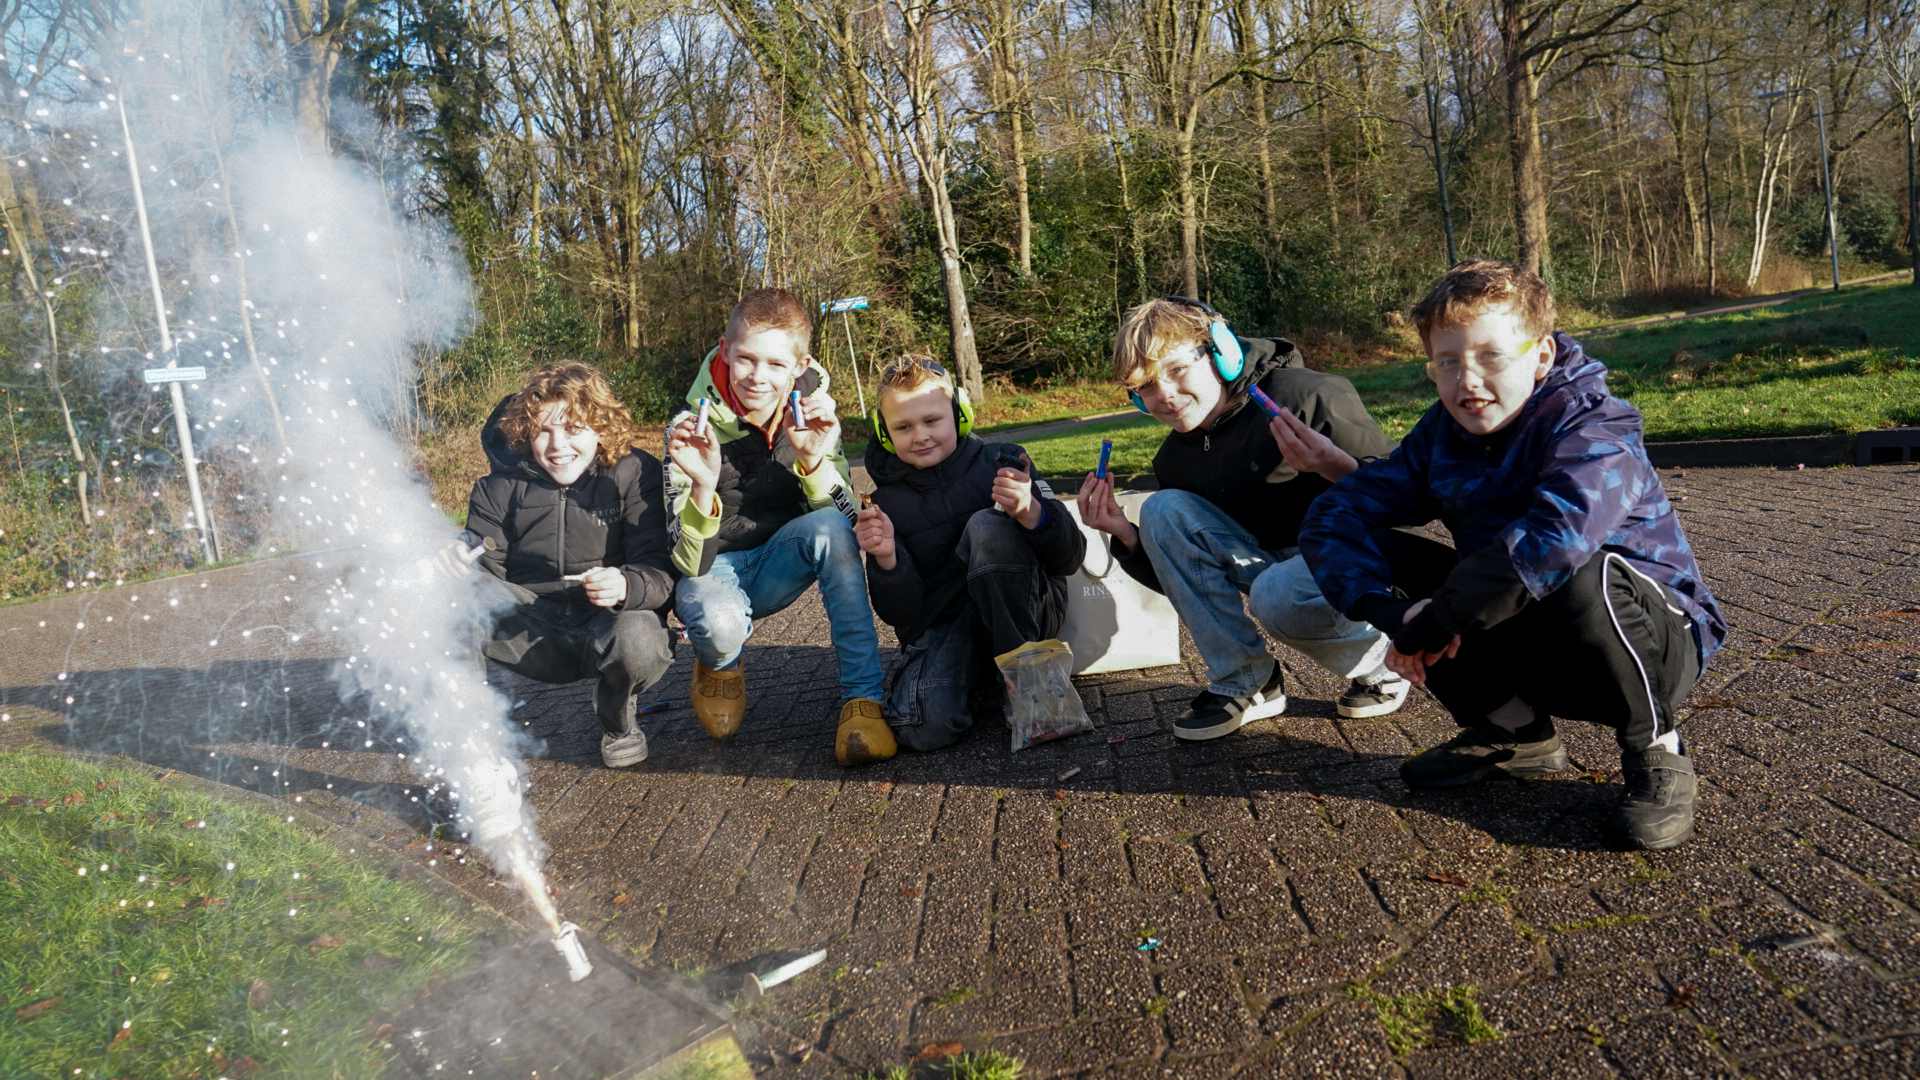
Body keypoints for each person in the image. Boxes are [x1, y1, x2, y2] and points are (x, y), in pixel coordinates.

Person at [1298, 259, 1726, 850]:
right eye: (1448, 362)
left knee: (1577, 568)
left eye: (1490, 357)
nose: (1466, 381)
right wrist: (1393, 614)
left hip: (1650, 640)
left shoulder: (1598, 425)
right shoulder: (1441, 435)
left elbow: (1557, 535)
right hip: (1524, 629)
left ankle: (1657, 749)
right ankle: (1516, 732)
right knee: (1387, 555)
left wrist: (1441, 618)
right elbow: (1334, 513)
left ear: (1541, 356)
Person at [1074, 296, 1408, 741]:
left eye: (1176, 369)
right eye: (1146, 386)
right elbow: (1191, 580)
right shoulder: (1174, 458)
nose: (1165, 396)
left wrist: (1336, 467)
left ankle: (1385, 662)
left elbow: (1405, 502)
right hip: (1277, 574)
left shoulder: (1305, 397)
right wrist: (1125, 534)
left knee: (1275, 592)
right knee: (1161, 508)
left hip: (1355, 563)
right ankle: (1247, 682)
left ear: (1222, 352)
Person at [663, 288, 890, 766]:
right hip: (712, 568)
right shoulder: (687, 428)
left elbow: (848, 519)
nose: (758, 378)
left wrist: (813, 460)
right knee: (718, 623)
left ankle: (863, 700)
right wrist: (703, 487)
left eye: (774, 364)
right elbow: (683, 560)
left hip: (783, 559)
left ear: (799, 365)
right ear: (724, 351)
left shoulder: (816, 415)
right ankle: (720, 663)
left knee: (830, 526)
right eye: (745, 359)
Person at [445, 362, 678, 769]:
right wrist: (454, 556)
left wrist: (626, 584)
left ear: (601, 428)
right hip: (532, 630)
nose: (558, 445)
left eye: (573, 428)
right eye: (544, 431)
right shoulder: (495, 487)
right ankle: (474, 746)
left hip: (607, 623)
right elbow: (481, 561)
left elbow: (660, 570)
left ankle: (618, 724)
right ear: (525, 433)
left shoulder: (635, 473)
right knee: (447, 603)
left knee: (639, 640)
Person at [856, 354, 1086, 751]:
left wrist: (1031, 512)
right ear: (883, 431)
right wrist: (887, 558)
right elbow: (902, 614)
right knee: (921, 727)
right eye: (903, 427)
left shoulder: (1006, 463)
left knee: (987, 525)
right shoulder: (883, 504)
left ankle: (1027, 682)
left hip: (1027, 615)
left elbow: (1069, 557)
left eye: (932, 421)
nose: (920, 436)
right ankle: (982, 672)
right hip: (949, 628)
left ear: (959, 413)